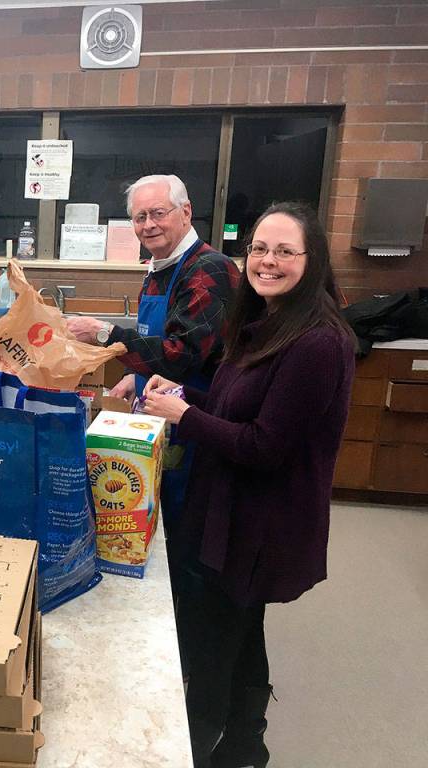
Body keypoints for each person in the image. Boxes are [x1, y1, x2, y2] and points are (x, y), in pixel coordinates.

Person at [140, 202, 356, 768]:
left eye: (285, 251)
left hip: (260, 526)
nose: (267, 260)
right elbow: (234, 408)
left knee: (212, 644)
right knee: (241, 631)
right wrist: (184, 396)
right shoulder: (265, 322)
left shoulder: (317, 343)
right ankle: (245, 746)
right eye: (259, 248)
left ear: (313, 260)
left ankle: (200, 747)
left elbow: (264, 446)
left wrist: (181, 416)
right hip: (229, 512)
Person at [68, 174, 240, 535]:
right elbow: (164, 340)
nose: (148, 225)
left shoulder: (208, 269)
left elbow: (181, 357)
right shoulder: (160, 267)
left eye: (158, 213)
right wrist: (137, 376)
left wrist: (105, 334)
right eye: (139, 217)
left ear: (186, 212)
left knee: (185, 529)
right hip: (160, 415)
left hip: (198, 423)